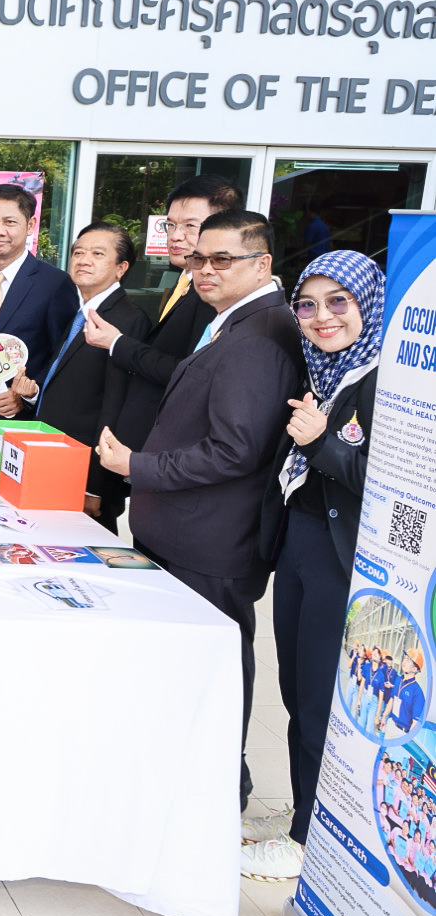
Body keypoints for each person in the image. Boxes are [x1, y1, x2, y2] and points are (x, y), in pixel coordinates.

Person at [97, 209, 304, 813]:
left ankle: (219, 791)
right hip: (187, 532)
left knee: (215, 669)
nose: (204, 270)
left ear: (262, 264)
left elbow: (236, 449)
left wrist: (138, 467)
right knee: (188, 669)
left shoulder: (260, 336)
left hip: (211, 541)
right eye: (197, 259)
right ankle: (189, 780)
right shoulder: (237, 320)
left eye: (222, 260)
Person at [242, 250, 385, 878]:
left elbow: (388, 482)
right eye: (307, 304)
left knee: (322, 697)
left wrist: (320, 441)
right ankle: (309, 810)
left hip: (342, 560)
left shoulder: (385, 379)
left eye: (338, 302)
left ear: (368, 305)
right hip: (303, 546)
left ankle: (308, 840)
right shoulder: (324, 370)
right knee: (297, 691)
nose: (322, 316)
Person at [6, 222, 151, 531]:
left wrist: (96, 485)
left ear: (121, 268)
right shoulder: (82, 312)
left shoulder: (127, 320)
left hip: (85, 474)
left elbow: (117, 405)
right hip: (55, 461)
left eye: (98, 254)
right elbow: (72, 385)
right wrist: (32, 393)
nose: (83, 260)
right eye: (78, 252)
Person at [84, 175, 241, 451]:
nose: (176, 236)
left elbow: (188, 372)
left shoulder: (216, 296)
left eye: (190, 225)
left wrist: (117, 343)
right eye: (170, 225)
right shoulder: (184, 281)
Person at [0, 183, 80, 457]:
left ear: (30, 225)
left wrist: (27, 394)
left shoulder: (55, 283)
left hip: (19, 425)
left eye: (9, 222)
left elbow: (63, 355)